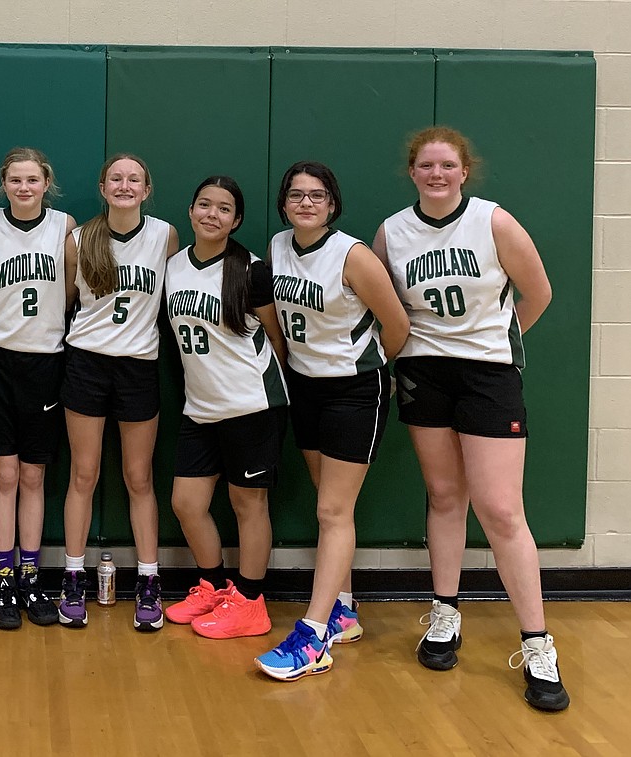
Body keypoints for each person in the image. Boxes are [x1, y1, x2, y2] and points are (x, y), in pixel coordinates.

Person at [374, 127, 567, 711]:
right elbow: (383, 303)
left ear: (464, 171)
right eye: (426, 166)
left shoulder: (493, 221)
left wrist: (492, 348)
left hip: (487, 375)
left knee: (503, 510)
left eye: (447, 165)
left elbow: (538, 294)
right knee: (442, 495)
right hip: (424, 373)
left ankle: (537, 643)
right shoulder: (391, 232)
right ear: (412, 172)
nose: (436, 174)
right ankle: (444, 614)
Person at [255, 161, 409, 681]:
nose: (305, 203)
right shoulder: (278, 248)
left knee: (332, 510)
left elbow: (397, 324)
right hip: (304, 385)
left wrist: (361, 370)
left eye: (316, 195)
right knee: (329, 502)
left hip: (353, 390)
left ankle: (313, 636)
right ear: (283, 204)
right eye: (295, 195)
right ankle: (344, 609)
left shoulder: (353, 256)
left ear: (333, 204)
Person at [58, 154, 180, 632]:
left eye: (134, 179)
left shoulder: (165, 235)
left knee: (139, 477)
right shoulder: (78, 239)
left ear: (146, 190)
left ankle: (149, 581)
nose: (125, 185)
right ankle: (72, 576)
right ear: (102, 186)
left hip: (138, 368)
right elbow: (69, 304)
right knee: (83, 474)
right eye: (116, 178)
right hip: (86, 363)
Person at [162, 176, 288, 640]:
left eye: (223, 209)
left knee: (247, 504)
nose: (211, 215)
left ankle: (252, 602)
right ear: (191, 210)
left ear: (236, 220)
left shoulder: (252, 270)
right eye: (204, 205)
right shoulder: (174, 266)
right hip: (200, 407)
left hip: (252, 404)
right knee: (186, 503)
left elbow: (277, 339)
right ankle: (214, 587)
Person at [0, 148, 77, 629]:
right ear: (4, 183)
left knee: (33, 476)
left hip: (46, 360)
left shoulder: (65, 226)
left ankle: (31, 571)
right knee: (4, 474)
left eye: (32, 179)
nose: (23, 187)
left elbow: (72, 290)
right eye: (15, 179)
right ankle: (2, 574)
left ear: (46, 182)